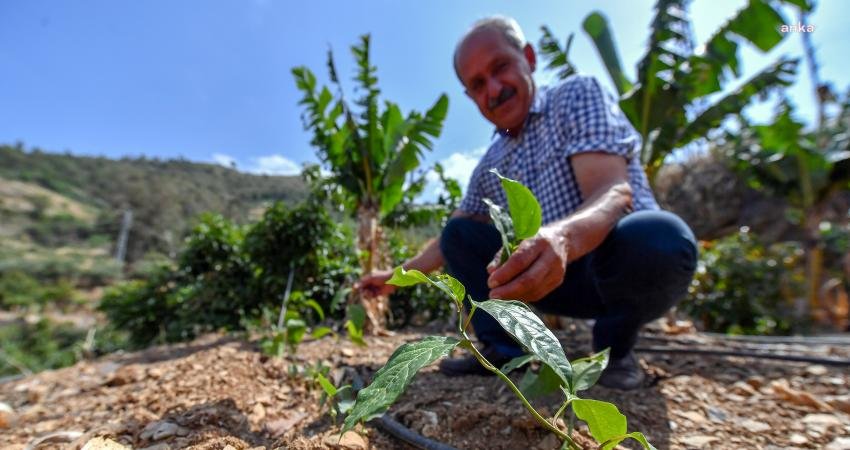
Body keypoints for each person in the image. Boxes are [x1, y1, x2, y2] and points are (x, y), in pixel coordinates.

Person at [357, 16, 697, 390]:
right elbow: (447, 242)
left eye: (500, 67)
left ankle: (615, 348)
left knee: (660, 237)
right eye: (478, 84)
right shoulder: (492, 163)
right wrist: (392, 279)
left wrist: (562, 239)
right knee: (459, 232)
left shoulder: (575, 97)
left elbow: (614, 193)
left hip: (613, 268)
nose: (494, 89)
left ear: (529, 58)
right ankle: (503, 348)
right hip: (544, 282)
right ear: (471, 98)